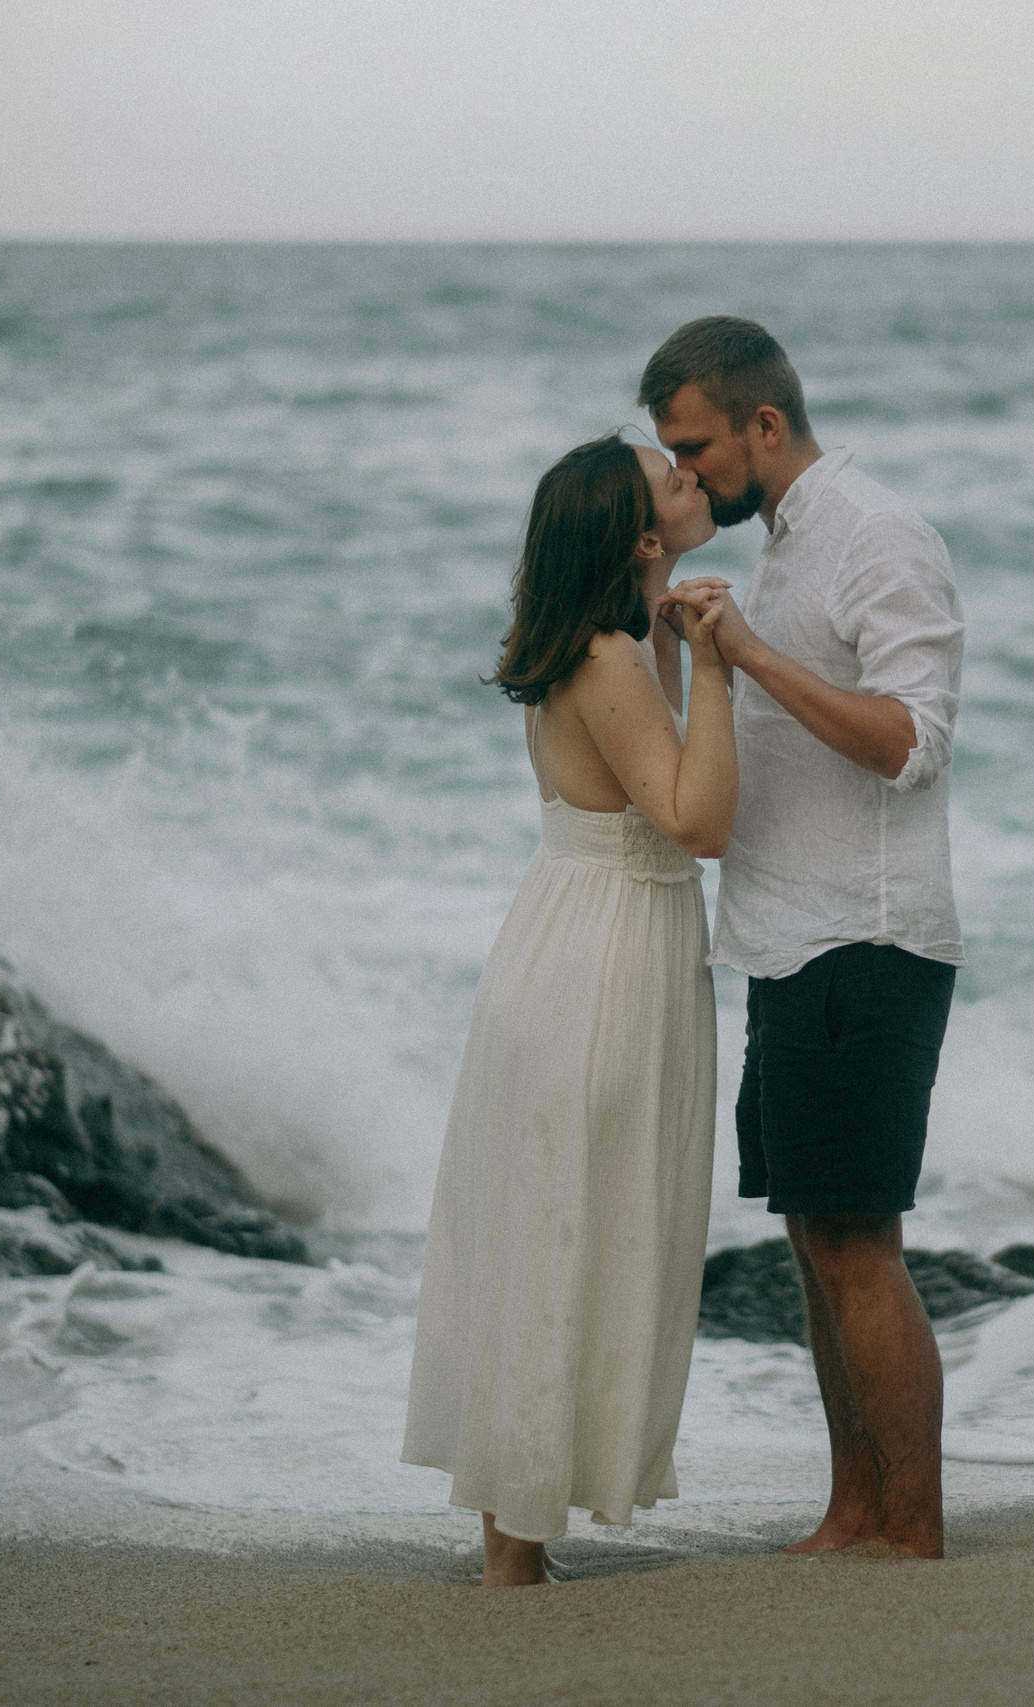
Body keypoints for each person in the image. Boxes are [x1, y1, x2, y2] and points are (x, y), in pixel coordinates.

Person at [645, 317, 965, 1560]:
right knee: (812, 1244)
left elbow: (908, 740)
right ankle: (854, 1510)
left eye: (697, 447)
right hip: (780, 941)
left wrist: (752, 654)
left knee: (857, 1246)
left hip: (865, 938)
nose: (688, 472)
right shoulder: (783, 546)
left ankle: (913, 1526)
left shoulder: (879, 534)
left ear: (762, 427)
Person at [401, 432, 733, 1588]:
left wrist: (684, 646)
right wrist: (728, 667)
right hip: (603, 957)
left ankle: (515, 1542)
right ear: (643, 539)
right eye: (671, 478)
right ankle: (512, 1559)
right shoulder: (608, 661)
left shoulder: (608, 643)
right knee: (568, 1231)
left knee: (553, 1227)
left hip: (568, 934)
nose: (694, 474)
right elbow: (698, 819)